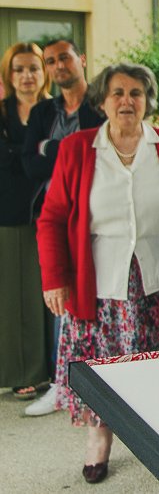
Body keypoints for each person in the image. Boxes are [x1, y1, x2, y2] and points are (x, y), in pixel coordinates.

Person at [37, 62, 159, 484]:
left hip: (158, 280)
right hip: (97, 283)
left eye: (136, 93)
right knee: (102, 367)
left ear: (147, 101)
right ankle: (100, 439)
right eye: (117, 92)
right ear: (102, 101)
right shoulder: (78, 148)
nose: (126, 101)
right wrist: (54, 277)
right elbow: (53, 218)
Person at [21, 39, 103, 416]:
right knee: (60, 295)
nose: (57, 66)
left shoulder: (99, 105)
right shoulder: (42, 111)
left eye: (64, 58)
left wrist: (51, 149)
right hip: (53, 214)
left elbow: (100, 157)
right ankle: (61, 383)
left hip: (93, 216)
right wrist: (65, 151)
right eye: (51, 61)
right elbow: (30, 165)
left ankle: (98, 382)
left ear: (80, 59)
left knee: (93, 300)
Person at [0, 43, 52, 400]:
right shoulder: (1, 112)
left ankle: (50, 371)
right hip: (10, 212)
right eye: (19, 69)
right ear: (9, 74)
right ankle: (20, 373)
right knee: (15, 296)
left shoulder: (54, 111)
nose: (26, 76)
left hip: (52, 213)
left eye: (33, 68)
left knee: (47, 297)